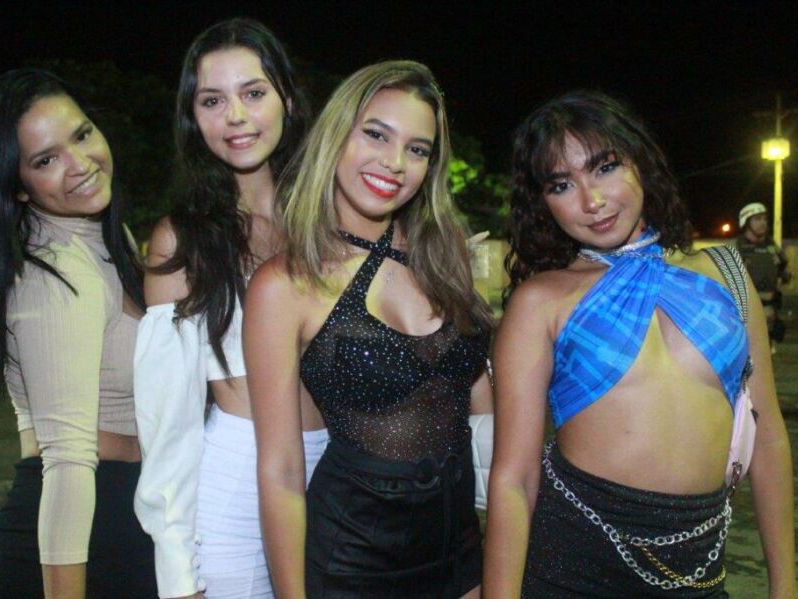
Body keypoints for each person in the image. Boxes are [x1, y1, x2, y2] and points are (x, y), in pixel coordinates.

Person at [484, 91, 795, 597]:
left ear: (640, 163)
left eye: (605, 168)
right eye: (562, 184)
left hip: (699, 570)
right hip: (570, 569)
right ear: (542, 203)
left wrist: (785, 585)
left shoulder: (727, 274)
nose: (592, 201)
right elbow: (513, 480)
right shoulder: (539, 302)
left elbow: (770, 439)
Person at [245, 60, 494, 598]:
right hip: (353, 559)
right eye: (376, 135)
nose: (395, 162)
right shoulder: (284, 285)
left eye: (417, 149)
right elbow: (281, 469)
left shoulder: (442, 253)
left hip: (459, 548)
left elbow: (476, 395)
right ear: (337, 135)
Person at [132, 19, 322, 599]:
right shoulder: (181, 240)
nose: (236, 116)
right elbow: (168, 419)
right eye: (213, 100)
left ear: (288, 99)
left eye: (253, 92)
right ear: (194, 119)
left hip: (342, 475)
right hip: (234, 487)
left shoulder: (330, 222)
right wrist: (177, 571)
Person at [0, 68, 155, 598]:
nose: (81, 163)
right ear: (17, 187)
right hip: (73, 540)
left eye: (82, 134)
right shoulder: (55, 273)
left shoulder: (107, 238)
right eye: (46, 160)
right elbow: (68, 462)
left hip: (118, 519)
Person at [735, 202, 791, 350]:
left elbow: (785, 273)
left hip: (770, 311)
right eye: (757, 219)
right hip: (747, 312)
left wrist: (782, 277)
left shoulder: (771, 246)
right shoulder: (738, 247)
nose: (763, 223)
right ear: (746, 222)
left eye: (765, 219)